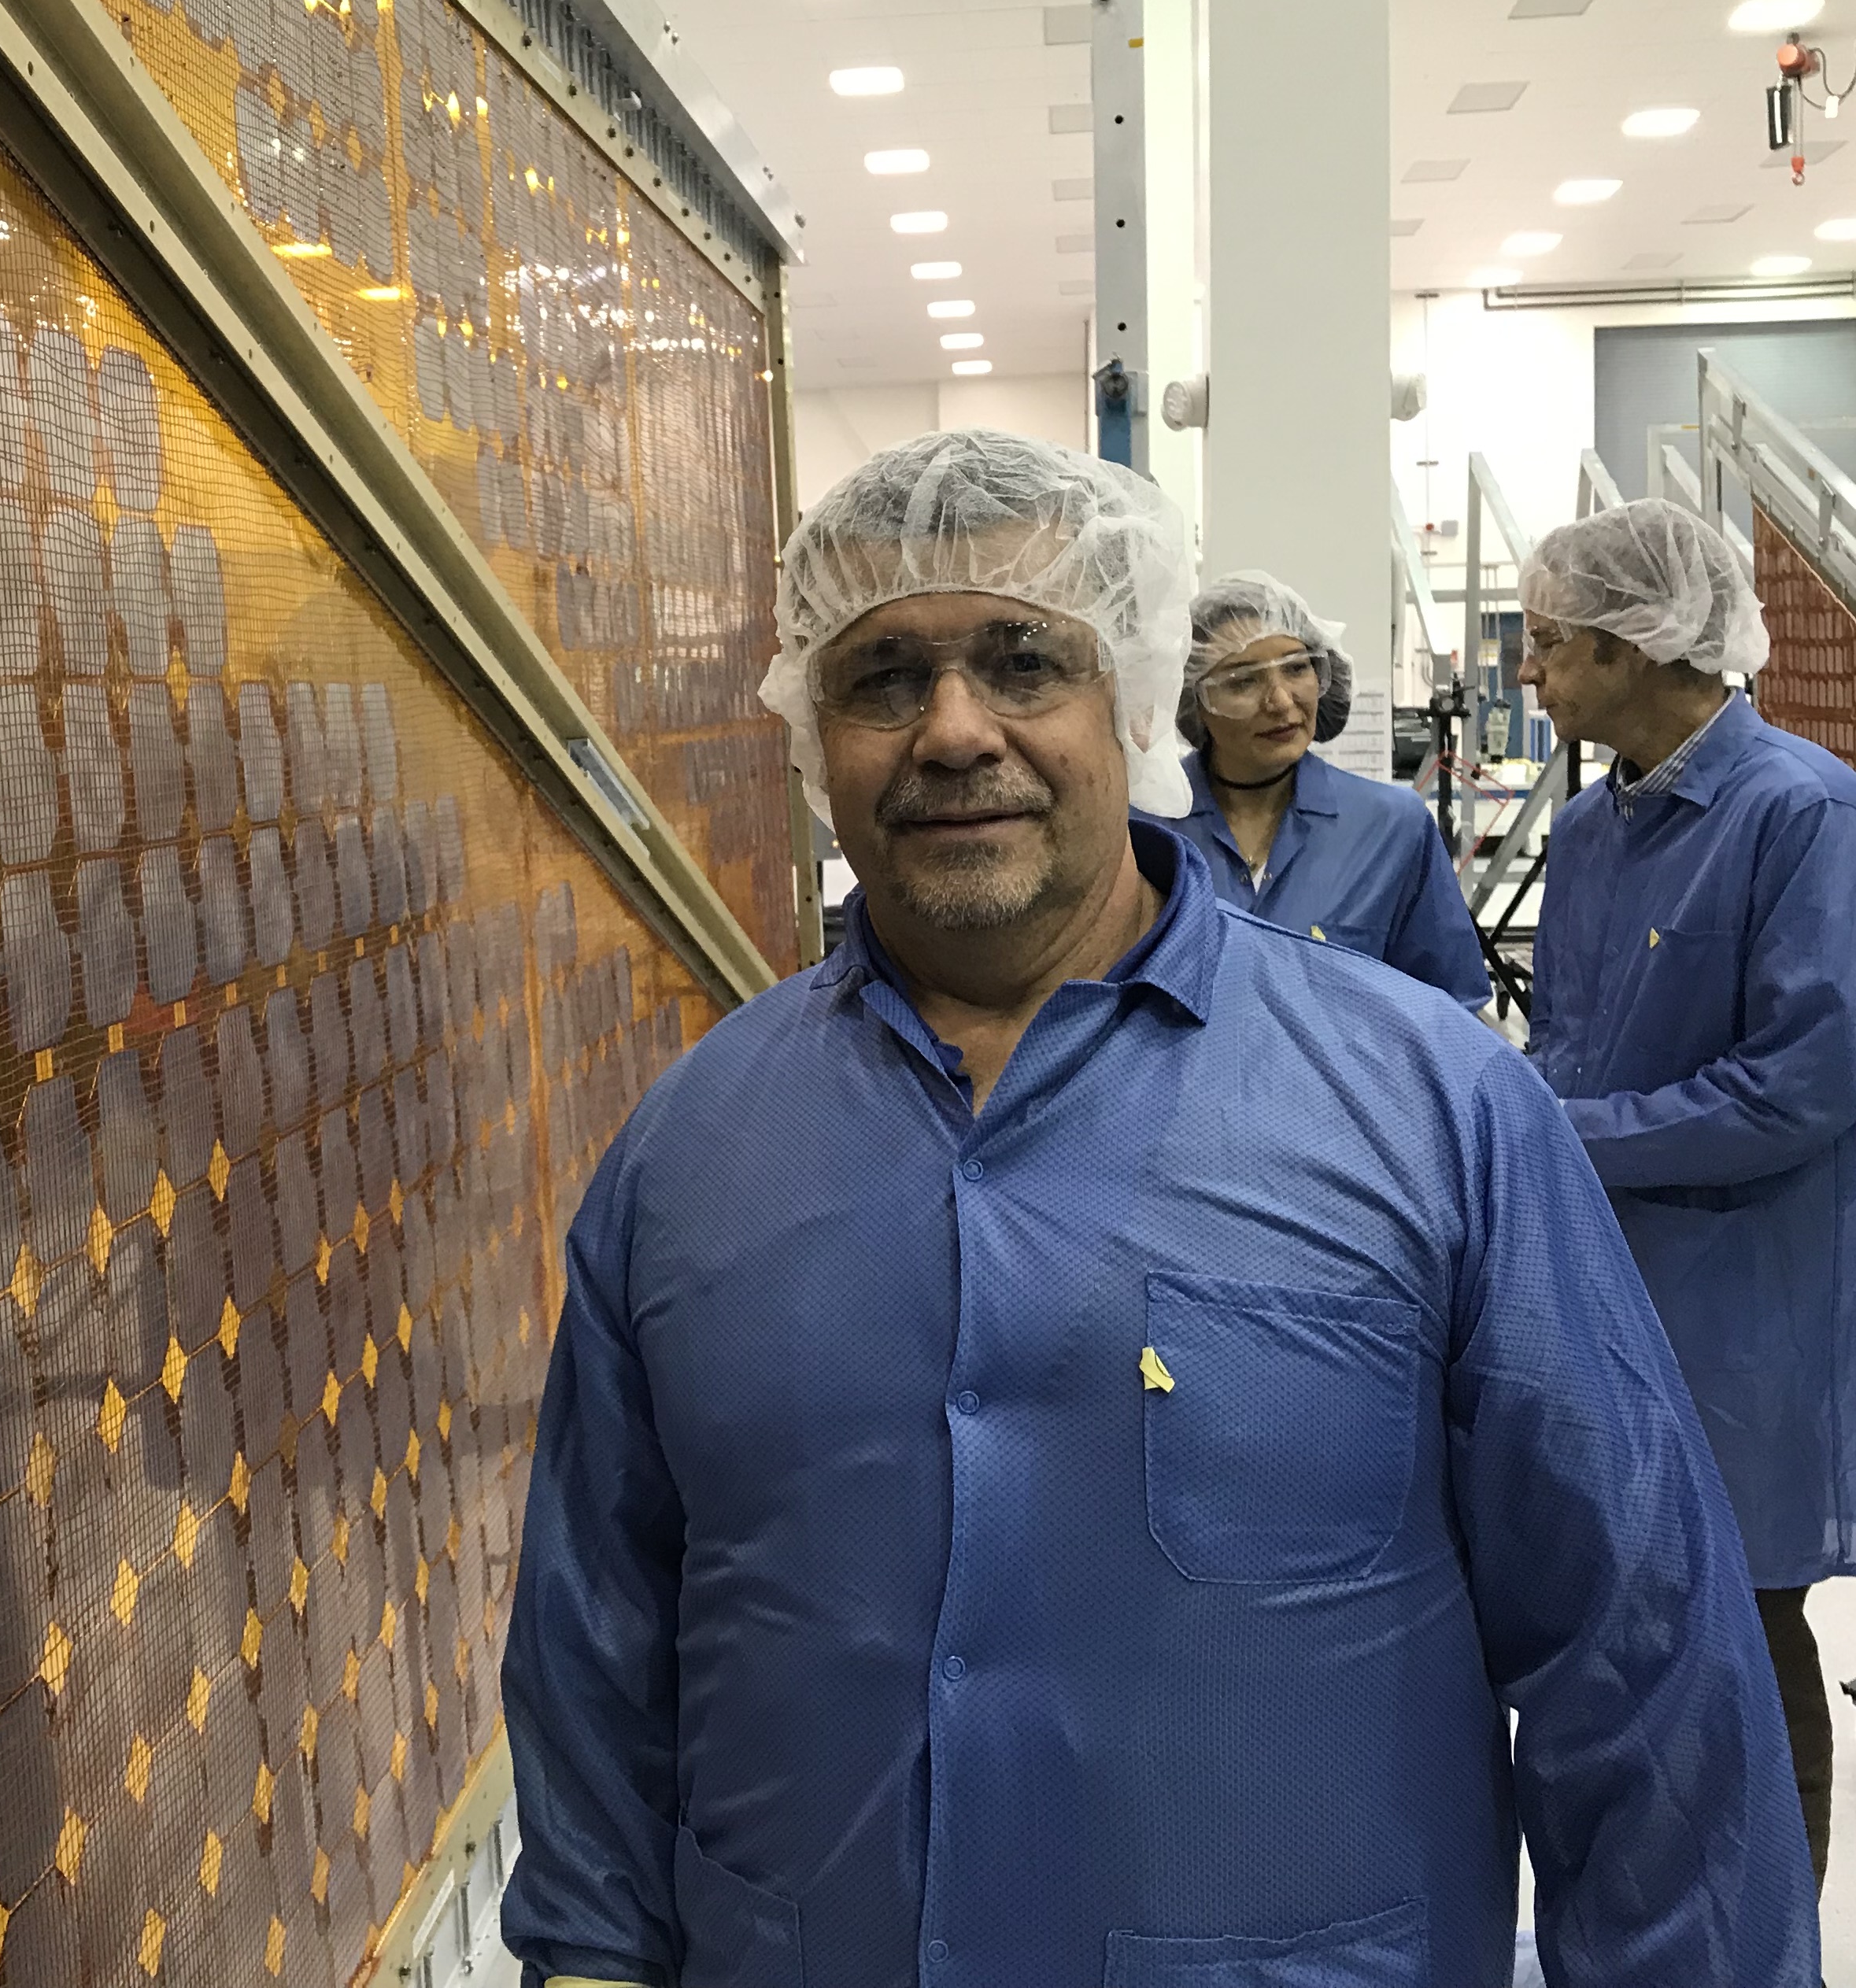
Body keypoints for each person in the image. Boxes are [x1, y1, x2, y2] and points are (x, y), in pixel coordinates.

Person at [496, 430, 1814, 1988]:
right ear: (810, 732)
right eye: (883, 679)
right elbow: (597, 1648)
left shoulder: (1429, 1113)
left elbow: (1643, 1664)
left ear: (1127, 698)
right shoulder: (694, 1151)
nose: (955, 731)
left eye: (1021, 662)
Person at [1519, 493, 1856, 1889]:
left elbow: (1798, 1085)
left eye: (1549, 646)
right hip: (1598, 1274)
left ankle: (1767, 1922)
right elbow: (1557, 1046)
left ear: (1643, 645)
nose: (1530, 673)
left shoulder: (1799, 812)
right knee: (1622, 1603)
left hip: (1739, 1296)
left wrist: (1556, 1140)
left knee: (1742, 1610)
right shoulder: (1595, 829)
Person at [1170, 571, 1488, 1007]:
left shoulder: (1392, 826)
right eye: (1243, 681)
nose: (1281, 702)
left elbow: (1452, 1005)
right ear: (1193, 700)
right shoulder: (1144, 828)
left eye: (1297, 668)